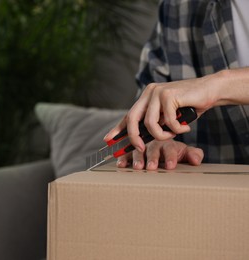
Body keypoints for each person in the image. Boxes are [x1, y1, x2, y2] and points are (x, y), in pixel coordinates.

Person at [104, 0, 249, 170]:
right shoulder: (176, 6)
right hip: (206, 191)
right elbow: (150, 94)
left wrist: (215, 86)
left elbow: (212, 87)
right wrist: (156, 139)